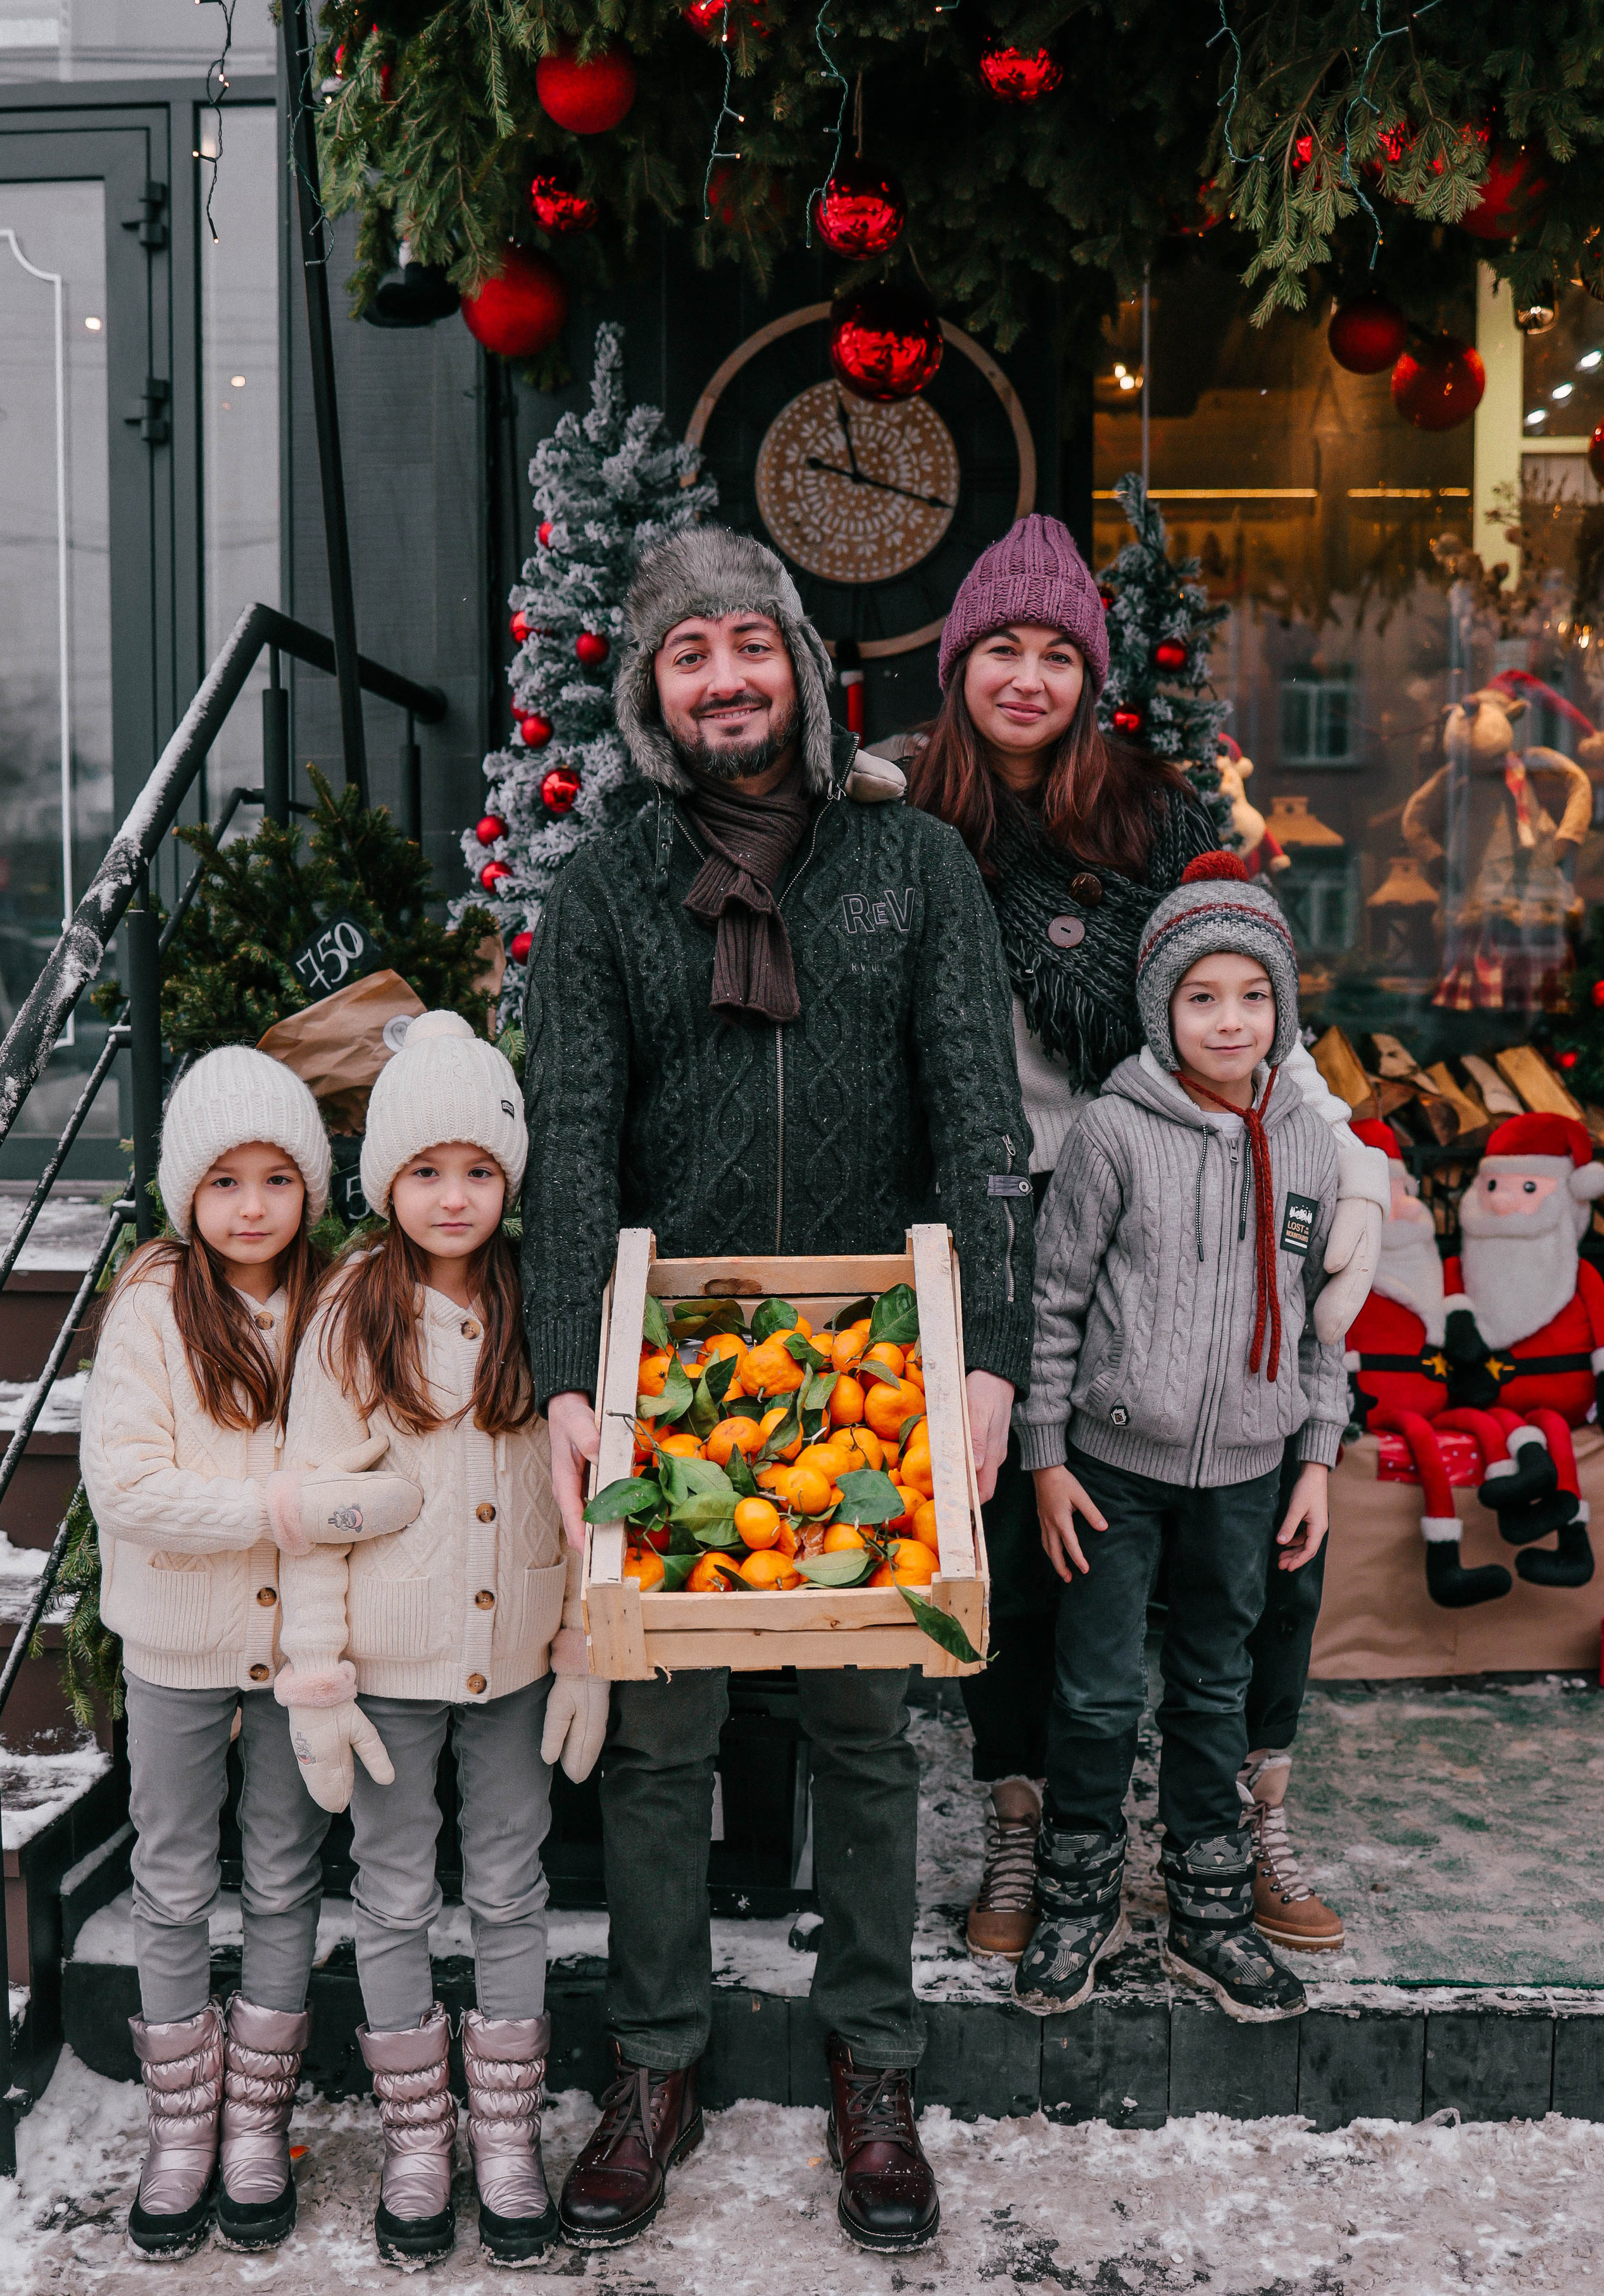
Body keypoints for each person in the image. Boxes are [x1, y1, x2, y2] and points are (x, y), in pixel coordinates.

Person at [523, 524, 1034, 2256]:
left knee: (867, 1736)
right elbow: (574, 1144)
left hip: (871, 1364)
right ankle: (654, 2060)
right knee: (656, 1741)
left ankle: (873, 2062)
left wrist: (988, 1358)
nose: (728, 674)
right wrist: (565, 1381)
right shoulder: (601, 889)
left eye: (753, 642)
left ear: (803, 668)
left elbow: (983, 1123)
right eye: (691, 654)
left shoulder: (913, 866)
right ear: (653, 694)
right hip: (673, 1376)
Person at [901, 514, 1383, 1961]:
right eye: (1002, 647)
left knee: (1252, 1539)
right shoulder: (900, 822)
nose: (1028, 676)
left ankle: (1240, 1806)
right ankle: (1026, 1808)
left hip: (1172, 1204)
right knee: (1007, 1523)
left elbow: (1246, 993)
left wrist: (1339, 1159)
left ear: (1091, 673)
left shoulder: (1155, 815)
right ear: (957, 662)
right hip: (983, 1219)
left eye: (1058, 651)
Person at [80, 1046, 424, 2258]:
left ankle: (253, 2123)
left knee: (282, 1872)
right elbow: (130, 1489)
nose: (251, 1207)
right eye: (224, 1182)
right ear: (188, 1193)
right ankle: (183, 2124)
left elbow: (376, 1468)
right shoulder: (152, 1304)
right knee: (174, 1877)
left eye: (277, 1179)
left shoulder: (340, 1302)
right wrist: (282, 1508)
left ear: (312, 1188)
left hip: (301, 1654)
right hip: (177, 1639)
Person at [277, 1012, 606, 2270]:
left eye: (477, 1169)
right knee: (399, 1891)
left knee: (514, 1890)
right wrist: (315, 1677)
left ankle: (508, 2133)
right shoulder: (353, 1311)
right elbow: (310, 1506)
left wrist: (584, 1640)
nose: (453, 1196)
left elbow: (584, 1496)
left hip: (520, 1663)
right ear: (384, 1181)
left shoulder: (542, 1298)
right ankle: (420, 2136)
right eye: (425, 1171)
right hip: (387, 1674)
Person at [1012, 854, 1348, 2023]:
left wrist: (1316, 1455)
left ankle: (1210, 1903)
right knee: (1098, 1691)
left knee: (1216, 1687)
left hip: (1251, 1474)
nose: (1228, 1019)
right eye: (1201, 996)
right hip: (1112, 1471)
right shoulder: (1115, 1131)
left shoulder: (1309, 1145)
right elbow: (1054, 1300)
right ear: (1163, 1007)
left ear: (1282, 1012)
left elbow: (1321, 1323)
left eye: (1252, 996)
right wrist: (1045, 1458)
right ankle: (1077, 1895)